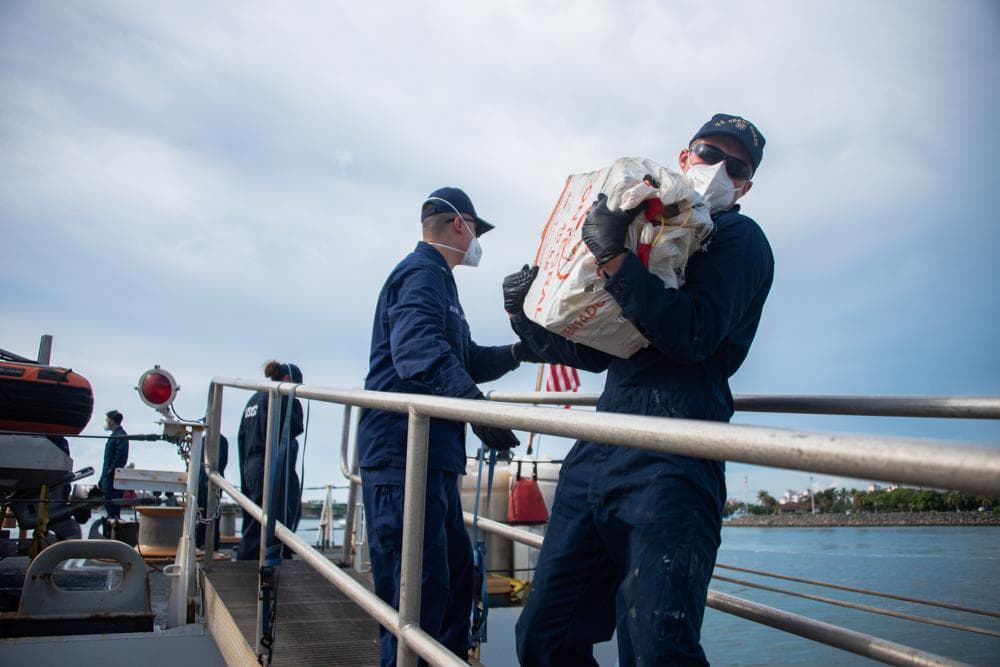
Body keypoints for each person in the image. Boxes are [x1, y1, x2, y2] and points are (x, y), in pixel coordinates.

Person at [504, 114, 774, 666]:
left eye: (736, 165)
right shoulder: (647, 230)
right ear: (683, 157)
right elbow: (599, 353)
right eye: (707, 152)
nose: (718, 169)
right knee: (544, 634)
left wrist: (616, 259)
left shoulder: (740, 241)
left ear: (746, 185)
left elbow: (691, 335)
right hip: (601, 449)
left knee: (656, 647)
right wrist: (527, 318)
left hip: (675, 460)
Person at [357, 186, 536, 666]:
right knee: (416, 590)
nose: (478, 240)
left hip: (432, 457)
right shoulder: (420, 274)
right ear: (461, 224)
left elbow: (466, 358)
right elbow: (417, 352)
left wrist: (521, 351)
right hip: (401, 453)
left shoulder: (440, 281)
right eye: (477, 229)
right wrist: (476, 411)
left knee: (457, 577)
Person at [236, 361, 303, 561]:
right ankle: (272, 554)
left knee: (255, 515)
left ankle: (251, 556)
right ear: (287, 381)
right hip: (274, 462)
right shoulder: (280, 397)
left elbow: (242, 435)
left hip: (251, 463)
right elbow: (293, 428)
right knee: (281, 511)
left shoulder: (254, 399)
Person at [196, 433, 229, 549]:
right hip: (202, 480)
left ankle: (211, 545)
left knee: (211, 514)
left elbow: (222, 462)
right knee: (201, 513)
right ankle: (201, 543)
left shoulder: (220, 440)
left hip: (212, 480)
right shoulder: (203, 440)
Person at [99, 410, 128, 521]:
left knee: (113, 509)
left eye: (107, 419)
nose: (106, 422)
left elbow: (121, 456)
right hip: (108, 479)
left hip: (113, 480)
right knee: (109, 508)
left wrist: (111, 472)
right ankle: (109, 531)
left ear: (111, 420)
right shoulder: (115, 435)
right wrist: (103, 479)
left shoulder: (120, 435)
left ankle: (113, 532)